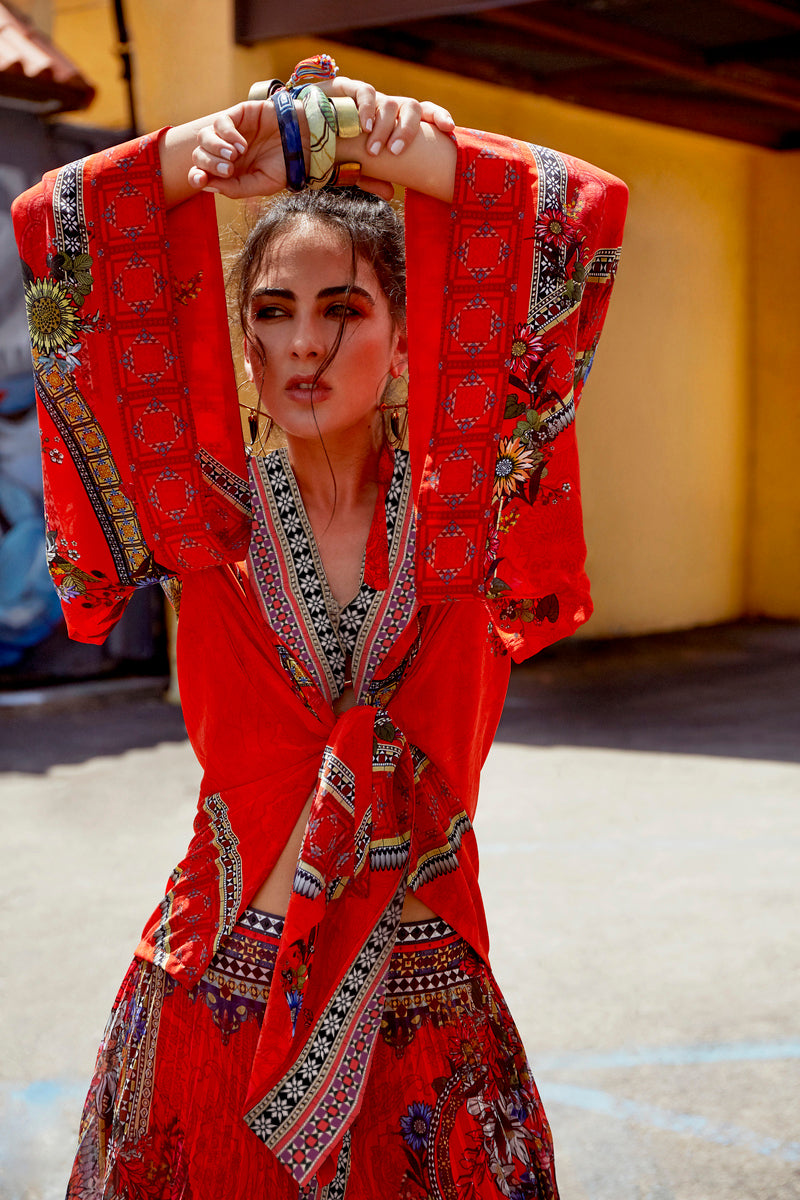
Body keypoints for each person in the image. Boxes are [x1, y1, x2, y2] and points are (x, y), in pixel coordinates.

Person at [13, 55, 627, 1199]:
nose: (302, 345)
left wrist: (386, 145)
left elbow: (572, 218)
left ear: (406, 338)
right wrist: (204, 150)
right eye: (273, 312)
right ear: (240, 341)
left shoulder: (466, 505)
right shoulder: (200, 514)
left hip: (425, 988)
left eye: (344, 310)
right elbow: (64, 238)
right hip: (212, 987)